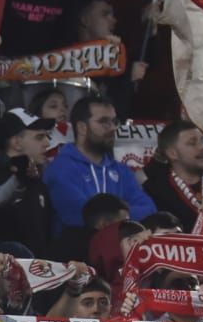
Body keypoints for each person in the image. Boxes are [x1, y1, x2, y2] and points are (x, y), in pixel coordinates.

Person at [41, 98, 155, 234]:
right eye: (104, 122)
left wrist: (110, 216)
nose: (113, 128)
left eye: (114, 122)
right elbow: (82, 216)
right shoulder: (60, 168)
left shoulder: (121, 170)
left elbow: (149, 210)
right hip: (75, 251)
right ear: (82, 128)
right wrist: (124, 215)